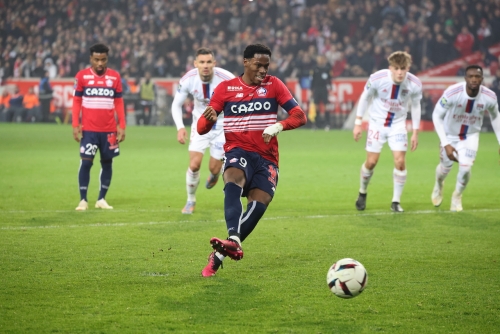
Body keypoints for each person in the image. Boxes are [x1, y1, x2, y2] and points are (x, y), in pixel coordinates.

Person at [197, 44, 307, 277]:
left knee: (258, 206)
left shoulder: (274, 85)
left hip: (267, 158)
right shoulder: (226, 89)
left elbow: (299, 116)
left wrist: (278, 125)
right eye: (258, 65)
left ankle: (219, 254)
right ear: (245, 62)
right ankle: (234, 238)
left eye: (266, 66)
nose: (263, 70)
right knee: (233, 178)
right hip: (239, 149)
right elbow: (200, 129)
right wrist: (208, 119)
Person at [352, 51, 422, 212]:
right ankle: (362, 192)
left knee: (400, 162)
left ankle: (396, 201)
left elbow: (416, 106)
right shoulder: (377, 78)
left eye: (403, 68)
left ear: (408, 68)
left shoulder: (415, 84)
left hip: (398, 125)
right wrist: (358, 123)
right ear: (390, 68)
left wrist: (416, 133)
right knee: (371, 162)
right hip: (376, 124)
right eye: (396, 68)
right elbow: (365, 97)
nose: (399, 72)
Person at [171, 48, 235, 214]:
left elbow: (241, 103)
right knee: (194, 165)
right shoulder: (188, 80)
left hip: (221, 127)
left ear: (214, 63)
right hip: (200, 125)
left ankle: (214, 176)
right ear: (195, 64)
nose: (205, 66)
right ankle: (190, 200)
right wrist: (180, 127)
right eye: (202, 62)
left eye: (208, 62)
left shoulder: (227, 79)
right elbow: (176, 105)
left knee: (214, 168)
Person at [431, 65, 500, 211]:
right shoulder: (452, 92)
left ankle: (457, 196)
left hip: (470, 136)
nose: (474, 79)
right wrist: (445, 143)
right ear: (465, 78)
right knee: (444, 169)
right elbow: (436, 115)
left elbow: (495, 117)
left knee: (466, 168)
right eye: (471, 76)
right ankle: (438, 185)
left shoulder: (490, 97)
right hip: (450, 135)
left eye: (477, 76)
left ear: (482, 79)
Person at [72, 43, 126, 211]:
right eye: (96, 60)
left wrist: (121, 125)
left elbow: (118, 102)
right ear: (91, 59)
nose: (100, 63)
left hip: (109, 130)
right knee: (86, 163)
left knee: (107, 163)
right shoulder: (81, 77)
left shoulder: (115, 77)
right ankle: (83, 200)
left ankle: (101, 198)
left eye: (103, 59)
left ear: (107, 58)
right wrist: (75, 124)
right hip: (88, 130)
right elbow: (76, 101)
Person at [310, 55, 332, 130]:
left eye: (322, 59)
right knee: (316, 107)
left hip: (324, 89)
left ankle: (327, 124)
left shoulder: (327, 69)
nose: (320, 60)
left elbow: (329, 80)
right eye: (319, 59)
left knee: (326, 107)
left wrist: (330, 88)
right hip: (316, 89)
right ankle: (316, 124)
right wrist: (312, 90)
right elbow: (312, 81)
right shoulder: (314, 69)